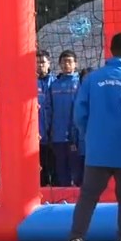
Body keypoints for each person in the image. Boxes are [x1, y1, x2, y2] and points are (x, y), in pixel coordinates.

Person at [64, 33, 121, 241]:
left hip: (98, 148)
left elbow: (79, 113)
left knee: (88, 197)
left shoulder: (92, 78)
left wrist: (89, 134)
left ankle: (76, 239)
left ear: (110, 50)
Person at [49, 51, 81, 187]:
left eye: (69, 61)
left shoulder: (80, 83)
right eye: (63, 62)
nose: (66, 64)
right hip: (57, 136)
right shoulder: (54, 84)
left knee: (77, 172)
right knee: (61, 171)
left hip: (76, 137)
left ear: (75, 64)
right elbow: (49, 109)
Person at [36, 50, 55, 186]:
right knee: (40, 173)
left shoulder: (56, 82)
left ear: (49, 63)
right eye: (37, 62)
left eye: (42, 62)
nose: (40, 65)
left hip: (55, 135)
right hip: (37, 136)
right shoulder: (28, 83)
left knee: (56, 171)